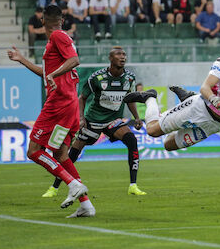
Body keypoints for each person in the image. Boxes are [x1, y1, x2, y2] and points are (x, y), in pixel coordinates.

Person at [123, 31, 220, 156]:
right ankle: (150, 97)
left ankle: (186, 100)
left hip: (216, 125)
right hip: (200, 108)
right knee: (152, 131)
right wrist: (214, 100)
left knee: (168, 145)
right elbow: (205, 87)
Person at [7, 5, 93, 218]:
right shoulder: (54, 42)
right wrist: (22, 60)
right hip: (69, 105)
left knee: (34, 150)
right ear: (62, 20)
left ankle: (72, 184)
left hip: (58, 105)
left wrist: (53, 75)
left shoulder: (57, 36)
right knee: (61, 154)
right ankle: (86, 205)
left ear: (42, 21)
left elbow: (75, 60)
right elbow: (46, 73)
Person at [41, 47, 146, 199]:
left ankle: (133, 186)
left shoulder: (130, 77)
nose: (122, 57)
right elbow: (82, 98)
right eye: (118, 54)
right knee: (73, 154)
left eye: (124, 54)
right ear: (110, 58)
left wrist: (136, 117)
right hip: (93, 120)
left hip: (113, 120)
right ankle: (54, 187)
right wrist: (82, 118)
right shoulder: (97, 77)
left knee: (131, 140)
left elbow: (129, 98)